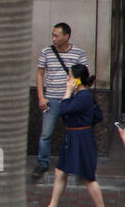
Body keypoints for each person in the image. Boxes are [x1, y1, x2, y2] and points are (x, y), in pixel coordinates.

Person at [33, 64, 110, 207]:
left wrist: (67, 92)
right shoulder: (83, 95)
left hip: (80, 138)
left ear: (76, 80)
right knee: (60, 171)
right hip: (75, 135)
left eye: (69, 77)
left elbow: (63, 109)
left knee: (88, 176)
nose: (67, 80)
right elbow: (97, 115)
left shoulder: (83, 96)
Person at [33, 22, 88, 177]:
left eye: (57, 35)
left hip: (71, 99)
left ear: (66, 36)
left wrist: (75, 93)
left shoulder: (78, 53)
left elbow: (83, 75)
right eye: (53, 35)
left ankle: (74, 161)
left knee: (74, 131)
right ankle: (42, 163)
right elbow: (39, 74)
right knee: (46, 133)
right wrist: (41, 97)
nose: (54, 38)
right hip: (51, 98)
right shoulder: (46, 52)